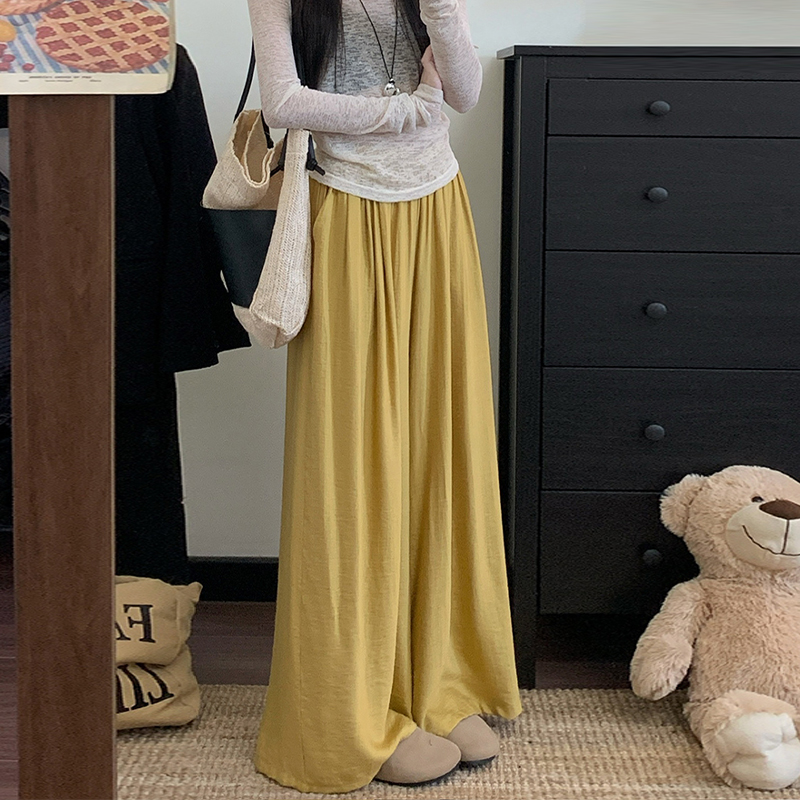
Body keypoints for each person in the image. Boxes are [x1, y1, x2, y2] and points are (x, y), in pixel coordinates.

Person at [246, 0, 522, 792]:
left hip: (436, 214)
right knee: (352, 468)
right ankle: (348, 710)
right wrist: (409, 106)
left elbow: (465, 92)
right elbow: (284, 102)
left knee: (440, 447)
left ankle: (437, 681)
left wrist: (442, 14)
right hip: (345, 220)